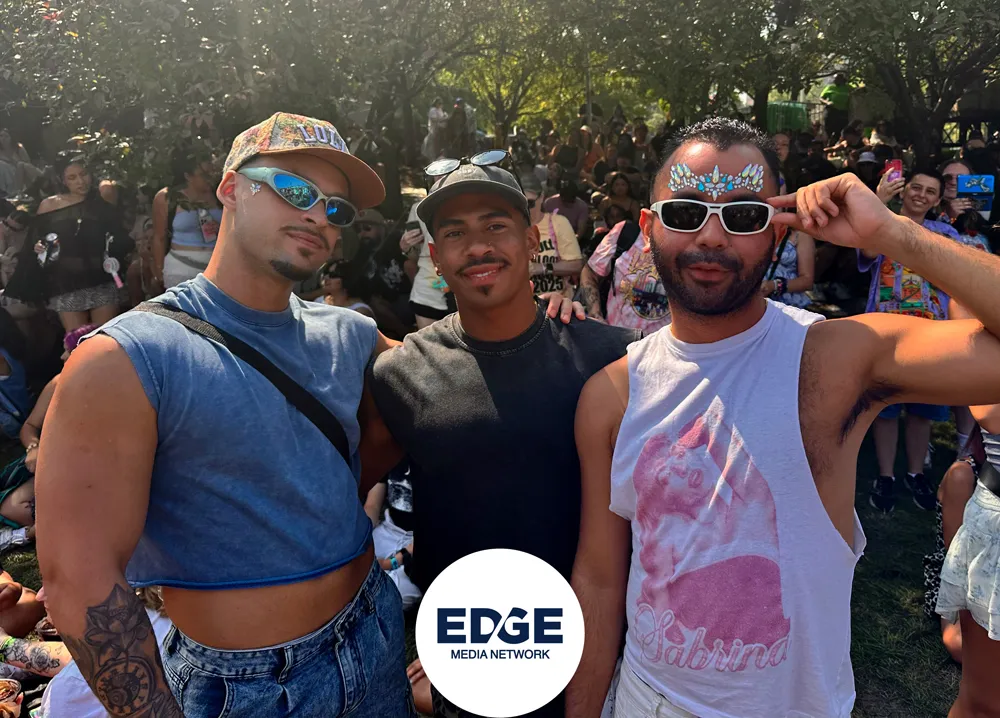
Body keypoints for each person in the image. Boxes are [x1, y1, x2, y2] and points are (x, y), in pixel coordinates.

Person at [567, 116, 1000, 717]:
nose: (712, 237)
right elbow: (599, 578)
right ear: (648, 228)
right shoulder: (611, 396)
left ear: (776, 232)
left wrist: (891, 231)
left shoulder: (835, 360)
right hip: (648, 701)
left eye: (743, 216)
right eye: (685, 213)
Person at [36, 112, 417, 717]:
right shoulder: (129, 357)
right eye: (295, 190)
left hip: (373, 639)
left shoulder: (352, 336)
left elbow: (449, 379)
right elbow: (78, 577)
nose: (319, 216)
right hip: (246, 688)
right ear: (231, 188)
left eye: (336, 209)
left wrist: (548, 311)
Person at [366, 160, 639, 718]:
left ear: (531, 240)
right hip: (472, 657)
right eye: (455, 233)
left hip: (594, 649)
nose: (478, 247)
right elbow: (341, 500)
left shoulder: (611, 358)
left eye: (495, 226)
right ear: (435, 256)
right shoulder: (401, 374)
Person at [865, 168, 980, 513]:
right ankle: (886, 476)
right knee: (886, 406)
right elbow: (867, 252)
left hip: (931, 333)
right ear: (903, 190)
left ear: (937, 199)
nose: (921, 195)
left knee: (922, 409)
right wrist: (878, 201)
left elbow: (960, 274)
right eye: (916, 187)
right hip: (885, 329)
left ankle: (915, 473)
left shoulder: (945, 233)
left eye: (930, 191)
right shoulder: (881, 222)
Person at [3, 155, 132, 332]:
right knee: (76, 342)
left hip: (101, 279)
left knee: (105, 338)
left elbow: (118, 233)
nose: (80, 181)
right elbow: (37, 241)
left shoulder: (102, 200)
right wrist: (39, 247)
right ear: (63, 181)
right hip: (66, 283)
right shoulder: (49, 205)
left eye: (84, 174)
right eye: (72, 177)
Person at [579, 219, 671, 334]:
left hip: (663, 343)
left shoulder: (689, 243)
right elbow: (590, 273)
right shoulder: (626, 233)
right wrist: (596, 316)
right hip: (616, 339)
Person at [151, 148, 222, 289]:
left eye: (211, 173)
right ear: (188, 176)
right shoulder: (167, 198)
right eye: (204, 175)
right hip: (180, 270)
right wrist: (159, 272)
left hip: (216, 272)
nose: (210, 179)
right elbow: (159, 237)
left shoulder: (221, 195)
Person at [341, 208, 414, 337]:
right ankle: (405, 334)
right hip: (389, 304)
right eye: (358, 230)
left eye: (367, 228)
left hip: (412, 295)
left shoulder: (398, 241)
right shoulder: (361, 254)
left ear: (382, 228)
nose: (362, 233)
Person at [363, 461, 420, 611]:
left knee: (392, 597)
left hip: (425, 541)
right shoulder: (392, 453)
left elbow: (440, 528)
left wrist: (389, 563)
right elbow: (372, 506)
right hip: (389, 530)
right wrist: (360, 540)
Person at [524, 178, 584, 299]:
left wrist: (541, 268)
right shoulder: (510, 227)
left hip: (558, 301)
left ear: (541, 197)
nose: (525, 209)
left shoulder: (558, 222)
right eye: (520, 204)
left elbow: (576, 265)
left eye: (530, 203)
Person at [761, 230, 815, 308]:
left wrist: (774, 286)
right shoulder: (756, 230)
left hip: (787, 304)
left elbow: (807, 281)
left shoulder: (801, 236)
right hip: (755, 301)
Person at [821, 73, 851, 141]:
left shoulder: (848, 88)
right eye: (834, 79)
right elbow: (821, 98)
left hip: (843, 113)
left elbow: (856, 92)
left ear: (842, 80)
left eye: (837, 79)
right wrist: (827, 102)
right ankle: (828, 142)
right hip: (832, 111)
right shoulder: (830, 87)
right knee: (829, 130)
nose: (834, 80)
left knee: (841, 131)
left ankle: (837, 144)